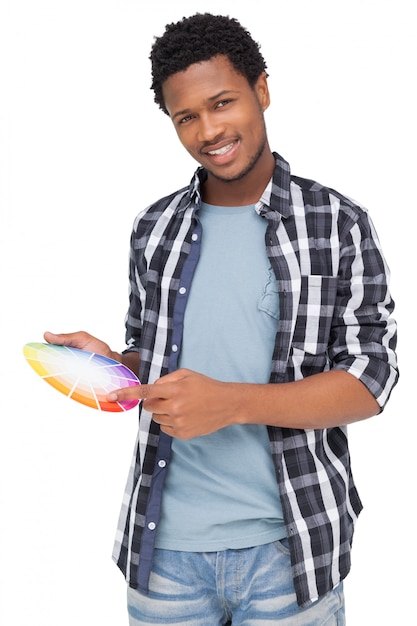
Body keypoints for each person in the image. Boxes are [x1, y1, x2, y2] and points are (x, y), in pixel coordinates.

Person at [44, 12, 398, 625]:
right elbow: (153, 358)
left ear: (262, 89)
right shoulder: (154, 228)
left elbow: (370, 383)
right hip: (165, 556)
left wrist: (232, 403)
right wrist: (114, 368)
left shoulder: (338, 223)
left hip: (290, 551)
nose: (209, 130)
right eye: (187, 117)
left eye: (223, 102)